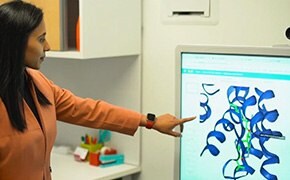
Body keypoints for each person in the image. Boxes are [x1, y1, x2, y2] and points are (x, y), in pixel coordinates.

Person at [0, 1, 195, 180]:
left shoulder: (37, 83)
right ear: (15, 44)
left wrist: (150, 121)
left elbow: (89, 110)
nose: (48, 46)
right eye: (41, 39)